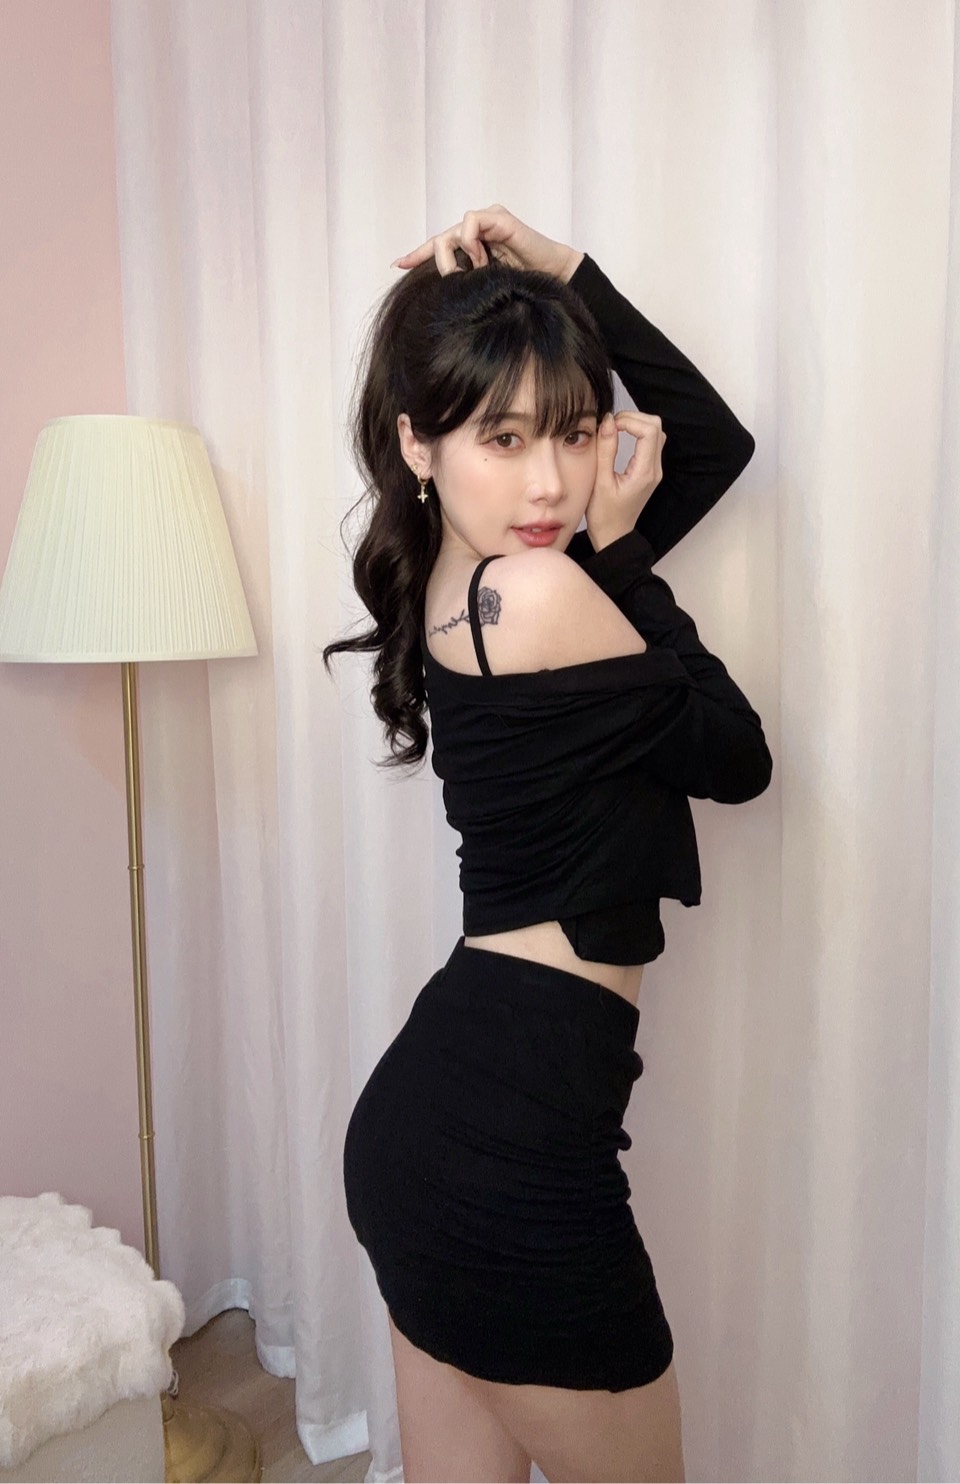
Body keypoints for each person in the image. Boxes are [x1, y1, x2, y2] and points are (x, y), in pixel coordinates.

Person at [327, 205, 772, 1483]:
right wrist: (620, 553)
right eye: (503, 437)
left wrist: (565, 275)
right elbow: (738, 758)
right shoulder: (542, 587)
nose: (551, 485)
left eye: (574, 433)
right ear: (416, 442)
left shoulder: (466, 574)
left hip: (442, 1127)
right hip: (511, 1154)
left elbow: (712, 442)